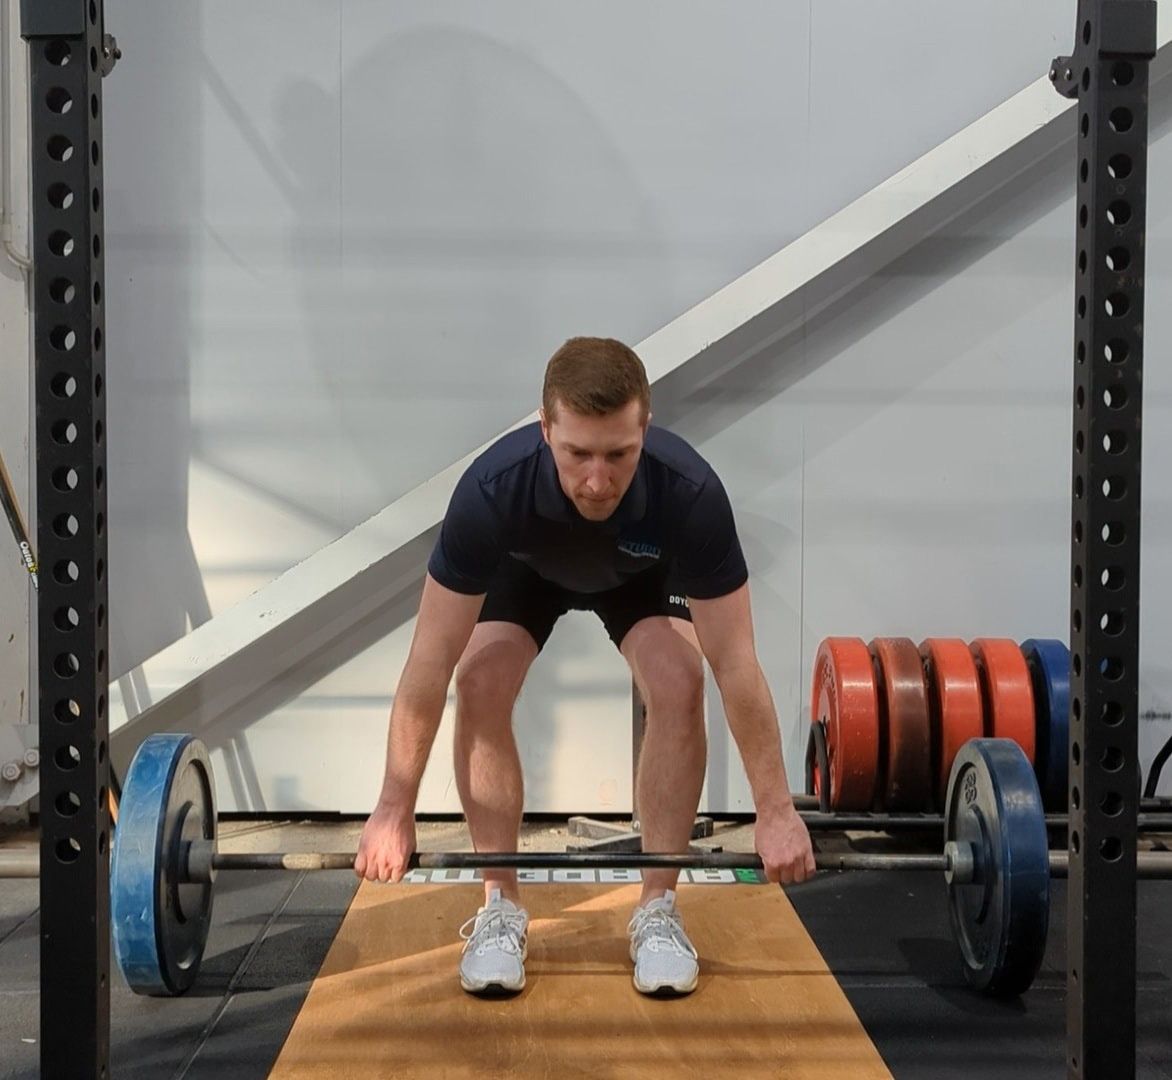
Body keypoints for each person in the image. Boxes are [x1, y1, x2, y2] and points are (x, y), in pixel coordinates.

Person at [354, 336, 816, 996]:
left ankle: (657, 908)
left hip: (639, 576)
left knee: (680, 680)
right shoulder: (491, 493)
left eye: (618, 455)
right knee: (478, 680)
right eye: (577, 454)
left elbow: (736, 665)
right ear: (545, 430)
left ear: (644, 429)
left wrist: (774, 809)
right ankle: (499, 905)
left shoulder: (689, 494)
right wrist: (393, 807)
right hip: (527, 573)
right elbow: (428, 662)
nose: (597, 479)